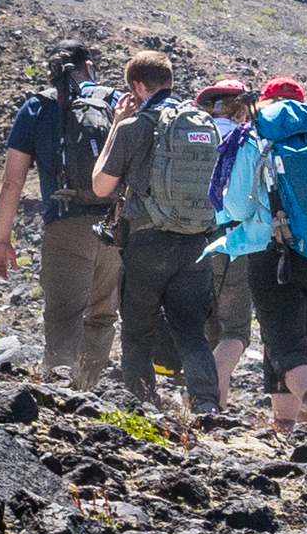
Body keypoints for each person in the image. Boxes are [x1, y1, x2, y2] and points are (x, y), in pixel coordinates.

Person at [205, 77, 307, 433]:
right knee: (285, 342)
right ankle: (285, 429)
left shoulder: (255, 136)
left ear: (263, 102)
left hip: (275, 257)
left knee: (285, 347)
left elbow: (235, 206)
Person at [91, 50, 227, 418]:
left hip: (147, 241)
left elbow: (101, 186)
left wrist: (117, 125)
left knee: (137, 331)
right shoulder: (201, 124)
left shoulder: (133, 126)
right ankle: (208, 406)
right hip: (196, 241)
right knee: (191, 331)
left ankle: (141, 406)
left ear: (137, 86)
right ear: (168, 81)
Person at [0, 40, 120, 393]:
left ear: (50, 71)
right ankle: (88, 394)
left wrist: (3, 241)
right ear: (89, 67)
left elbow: (12, 181)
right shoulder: (115, 102)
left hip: (65, 225)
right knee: (102, 317)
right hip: (114, 228)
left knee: (64, 318)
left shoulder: (36, 107)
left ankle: (60, 397)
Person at [194, 80, 261, 415]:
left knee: (208, 332)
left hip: (194, 240)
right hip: (234, 241)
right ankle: (205, 394)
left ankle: (211, 409)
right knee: (234, 330)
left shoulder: (193, 135)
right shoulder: (248, 140)